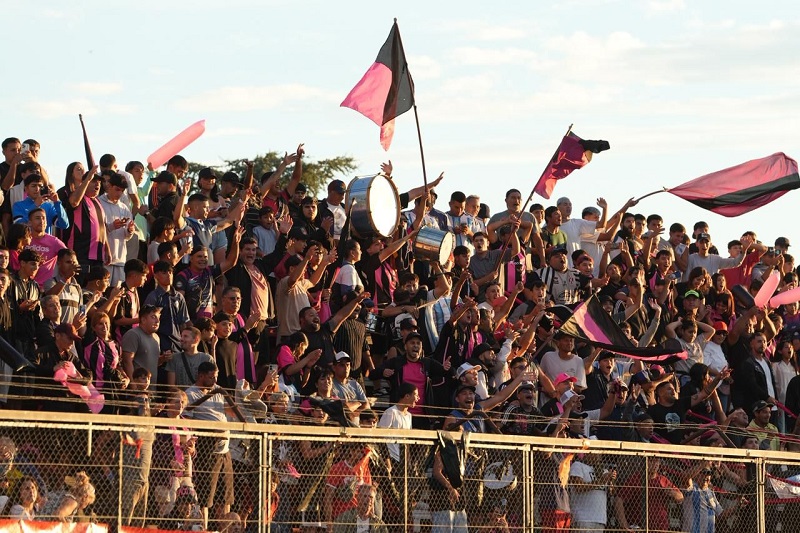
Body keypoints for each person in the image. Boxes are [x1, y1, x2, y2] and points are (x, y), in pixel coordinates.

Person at [184, 362, 235, 529]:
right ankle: (204, 528)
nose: (215, 380)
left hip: (225, 449)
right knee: (207, 496)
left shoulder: (219, 390)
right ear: (201, 376)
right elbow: (188, 421)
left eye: (216, 376)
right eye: (211, 377)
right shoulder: (190, 394)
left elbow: (231, 411)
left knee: (225, 496)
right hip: (208, 448)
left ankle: (225, 529)